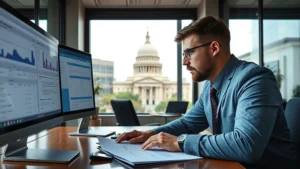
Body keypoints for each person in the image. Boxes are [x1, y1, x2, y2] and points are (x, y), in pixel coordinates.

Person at [116, 16, 298, 169]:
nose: (184, 62)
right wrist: (151, 134)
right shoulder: (211, 87)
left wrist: (181, 142)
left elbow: (246, 145)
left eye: (189, 53)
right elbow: (188, 123)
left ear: (214, 48)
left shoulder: (254, 79)